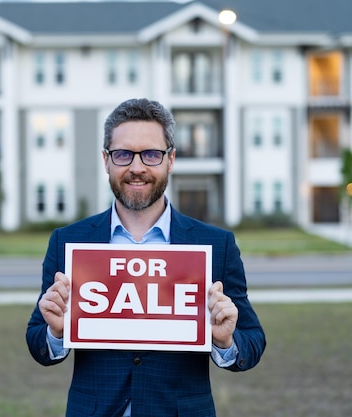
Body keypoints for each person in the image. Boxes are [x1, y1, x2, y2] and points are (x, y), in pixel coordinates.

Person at [26, 98, 266, 417]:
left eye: (151, 154)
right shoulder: (69, 242)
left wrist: (224, 341)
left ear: (170, 160)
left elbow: (252, 341)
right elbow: (37, 341)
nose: (137, 168)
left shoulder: (216, 246)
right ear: (106, 160)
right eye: (123, 154)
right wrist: (56, 332)